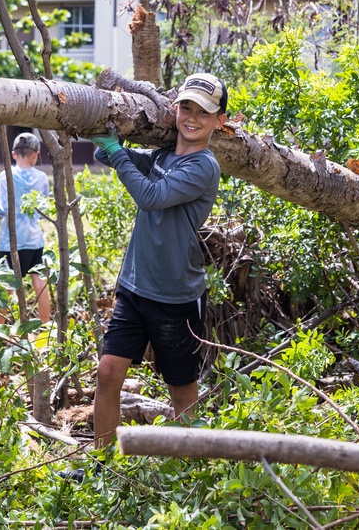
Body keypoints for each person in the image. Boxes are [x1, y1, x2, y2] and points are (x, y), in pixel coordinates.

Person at [88, 72, 227, 451]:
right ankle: (102, 464)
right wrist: (116, 130)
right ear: (174, 109)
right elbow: (104, 153)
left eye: (204, 111)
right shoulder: (163, 156)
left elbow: (150, 196)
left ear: (220, 121)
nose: (192, 117)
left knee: (181, 392)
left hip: (175, 297)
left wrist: (118, 152)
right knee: (107, 372)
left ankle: (188, 475)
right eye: (186, 107)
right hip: (135, 288)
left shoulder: (203, 167)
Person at [0, 132, 52, 323]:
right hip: (34, 240)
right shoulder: (41, 178)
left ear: (13, 154)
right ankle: (46, 331)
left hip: (11, 242)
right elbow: (44, 209)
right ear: (36, 154)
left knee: (5, 287)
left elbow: (4, 208)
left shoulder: (6, 175)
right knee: (40, 283)